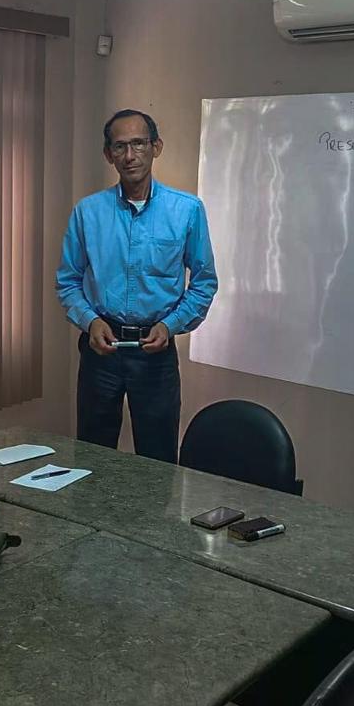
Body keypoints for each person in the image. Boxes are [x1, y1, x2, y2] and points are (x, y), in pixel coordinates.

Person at [56, 109, 218, 462]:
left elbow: (204, 282)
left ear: (156, 147)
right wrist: (89, 321)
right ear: (108, 154)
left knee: (158, 460)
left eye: (139, 144)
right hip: (101, 348)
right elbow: (68, 281)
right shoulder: (88, 212)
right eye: (120, 146)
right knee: (92, 457)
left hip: (155, 351)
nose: (130, 156)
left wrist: (170, 325)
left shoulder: (186, 210)